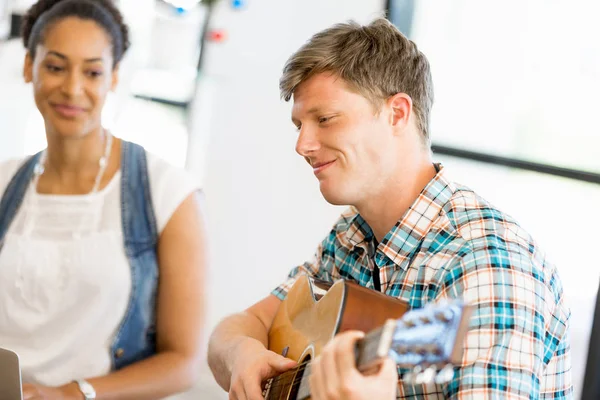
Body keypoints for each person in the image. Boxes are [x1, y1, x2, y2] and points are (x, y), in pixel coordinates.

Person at [207, 17, 573, 400]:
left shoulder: (489, 267)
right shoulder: (350, 235)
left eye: (325, 119)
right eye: (299, 125)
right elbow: (237, 327)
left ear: (397, 113)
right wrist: (241, 354)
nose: (302, 145)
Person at [0, 0, 207, 399]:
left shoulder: (167, 192)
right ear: (29, 67)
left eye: (92, 71)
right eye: (56, 66)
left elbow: (183, 362)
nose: (73, 88)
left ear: (113, 77)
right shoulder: (4, 182)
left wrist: (71, 394)